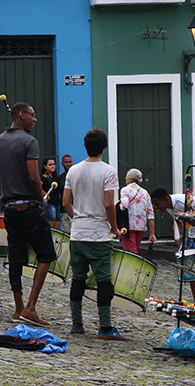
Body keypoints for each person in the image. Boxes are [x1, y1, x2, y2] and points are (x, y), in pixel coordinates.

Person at [0, 102, 56, 327]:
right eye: (32, 115)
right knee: (47, 254)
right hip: (29, 208)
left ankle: (18, 307)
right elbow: (32, 177)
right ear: (21, 115)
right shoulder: (30, 141)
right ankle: (31, 308)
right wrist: (42, 196)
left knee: (16, 257)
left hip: (9, 210)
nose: (35, 119)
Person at [62, 128, 127, 341]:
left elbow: (65, 202)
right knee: (104, 280)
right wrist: (114, 228)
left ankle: (77, 324)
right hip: (98, 235)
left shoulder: (73, 171)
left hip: (77, 234)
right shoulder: (108, 171)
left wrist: (78, 218)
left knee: (78, 278)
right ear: (104, 147)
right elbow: (109, 204)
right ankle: (105, 326)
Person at [150, 187, 195, 309]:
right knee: (190, 269)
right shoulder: (169, 207)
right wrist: (182, 234)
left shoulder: (183, 201)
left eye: (157, 204)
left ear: (166, 200)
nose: (156, 207)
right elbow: (178, 218)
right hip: (193, 236)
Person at [119, 168, 156, 253]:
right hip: (141, 227)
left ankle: (133, 266)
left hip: (128, 226)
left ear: (129, 178)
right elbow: (150, 214)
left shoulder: (125, 190)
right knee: (135, 248)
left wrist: (119, 207)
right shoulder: (145, 193)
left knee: (131, 252)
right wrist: (152, 234)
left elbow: (124, 205)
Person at [40, 157, 61, 230]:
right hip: (49, 205)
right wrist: (45, 194)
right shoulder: (44, 177)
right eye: (50, 164)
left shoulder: (56, 178)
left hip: (57, 205)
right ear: (45, 166)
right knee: (51, 228)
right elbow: (37, 186)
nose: (53, 166)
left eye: (54, 164)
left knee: (57, 228)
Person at [57, 154, 73, 233]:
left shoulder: (75, 176)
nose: (68, 164)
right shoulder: (60, 178)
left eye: (70, 162)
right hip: (63, 211)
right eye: (66, 162)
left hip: (74, 209)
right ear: (62, 163)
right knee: (67, 233)